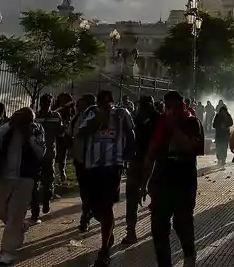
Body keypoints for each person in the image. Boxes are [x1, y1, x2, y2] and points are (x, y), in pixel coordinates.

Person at [142, 90, 204, 267]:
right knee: (159, 228)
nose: (172, 111)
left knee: (182, 222)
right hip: (161, 182)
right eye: (168, 107)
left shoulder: (192, 122)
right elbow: (151, 153)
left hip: (184, 182)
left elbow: (191, 146)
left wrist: (174, 128)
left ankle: (189, 254)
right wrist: (144, 183)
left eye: (176, 107)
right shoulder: (160, 124)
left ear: (183, 105)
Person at [76, 90, 136, 266]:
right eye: (103, 104)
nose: (106, 107)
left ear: (113, 103)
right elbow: (80, 133)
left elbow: (131, 137)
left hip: (112, 168)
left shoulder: (122, 114)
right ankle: (108, 231)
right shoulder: (91, 113)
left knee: (107, 205)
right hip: (91, 167)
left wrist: (126, 158)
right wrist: (96, 122)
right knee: (91, 206)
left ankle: (104, 250)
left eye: (109, 104)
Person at [0, 106, 46, 265]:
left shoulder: (36, 129)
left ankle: (8, 252)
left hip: (25, 178)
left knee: (15, 214)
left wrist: (30, 138)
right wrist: (9, 125)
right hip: (5, 177)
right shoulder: (8, 127)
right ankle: (20, 226)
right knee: (0, 210)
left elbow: (41, 153)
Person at [123, 95, 160, 244]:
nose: (143, 108)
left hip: (156, 164)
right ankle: (131, 231)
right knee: (132, 198)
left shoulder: (159, 121)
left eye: (147, 105)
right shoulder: (135, 119)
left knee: (158, 199)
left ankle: (158, 229)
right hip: (137, 162)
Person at [33, 94, 64, 220]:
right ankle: (35, 210)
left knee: (48, 180)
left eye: (48, 102)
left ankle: (46, 200)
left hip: (49, 153)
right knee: (34, 182)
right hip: (37, 154)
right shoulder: (36, 116)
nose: (47, 104)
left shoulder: (56, 116)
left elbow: (60, 133)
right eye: (45, 102)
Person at [70, 92, 97, 232]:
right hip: (80, 160)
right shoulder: (76, 118)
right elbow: (70, 137)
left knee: (92, 189)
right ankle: (86, 213)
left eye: (81, 102)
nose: (78, 105)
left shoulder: (98, 117)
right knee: (84, 189)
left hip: (94, 161)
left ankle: (89, 212)